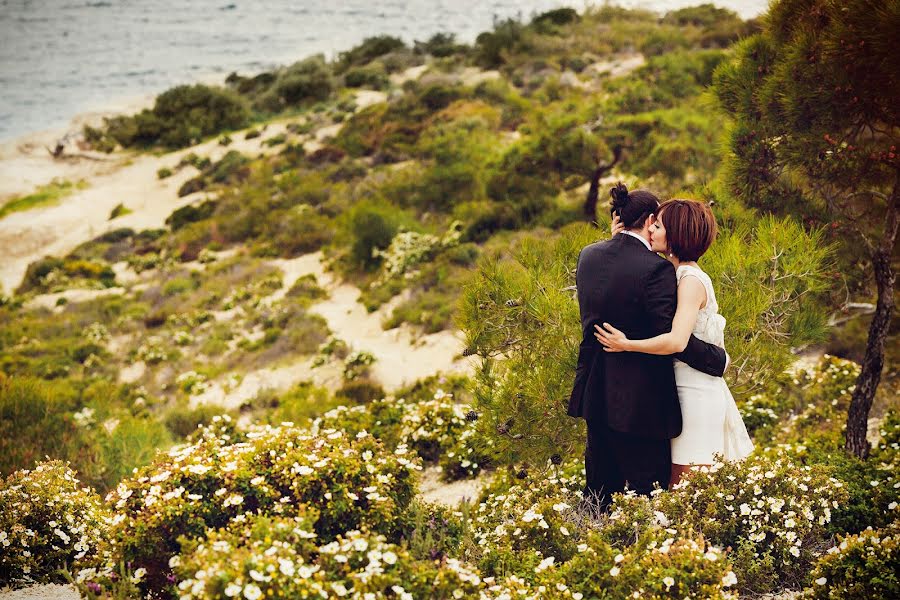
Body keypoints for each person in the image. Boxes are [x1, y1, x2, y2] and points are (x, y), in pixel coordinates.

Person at [567, 183, 728, 512]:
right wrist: (717, 360)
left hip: (595, 393)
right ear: (651, 218)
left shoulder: (589, 256)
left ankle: (595, 549)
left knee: (599, 491)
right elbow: (672, 337)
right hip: (642, 404)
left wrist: (617, 240)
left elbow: (613, 286)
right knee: (650, 493)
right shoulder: (657, 270)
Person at [595, 198, 754, 487]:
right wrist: (620, 242)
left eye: (657, 225)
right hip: (678, 393)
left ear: (676, 234)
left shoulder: (690, 279)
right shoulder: (672, 272)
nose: (651, 230)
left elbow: (678, 341)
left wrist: (627, 344)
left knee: (688, 489)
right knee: (676, 486)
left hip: (696, 395)